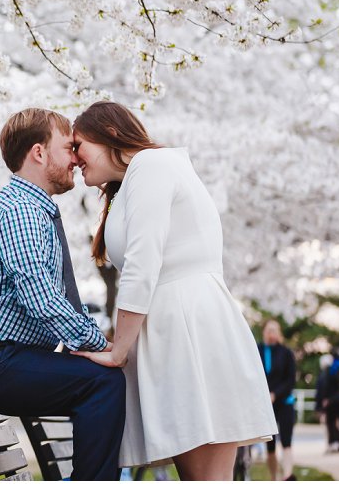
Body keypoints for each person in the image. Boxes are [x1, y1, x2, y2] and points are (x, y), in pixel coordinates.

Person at [71, 101, 277, 481]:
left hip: (186, 329)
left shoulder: (152, 166)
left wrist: (119, 352)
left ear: (109, 135)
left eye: (78, 145)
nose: (73, 157)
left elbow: (142, 263)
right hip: (178, 325)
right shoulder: (137, 178)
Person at [0, 108, 125, 481]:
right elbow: (41, 297)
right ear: (39, 153)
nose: (76, 158)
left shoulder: (28, 209)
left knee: (102, 379)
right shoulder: (23, 211)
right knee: (103, 381)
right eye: (68, 147)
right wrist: (100, 345)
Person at [258, 319, 297, 480]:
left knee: (286, 441)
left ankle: (288, 476)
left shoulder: (286, 353)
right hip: (266, 405)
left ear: (279, 333)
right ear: (264, 332)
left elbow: (290, 380)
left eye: (274, 330)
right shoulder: (258, 350)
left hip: (284, 402)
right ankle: (274, 478)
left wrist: (275, 394)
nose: (271, 333)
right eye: (269, 330)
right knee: (270, 445)